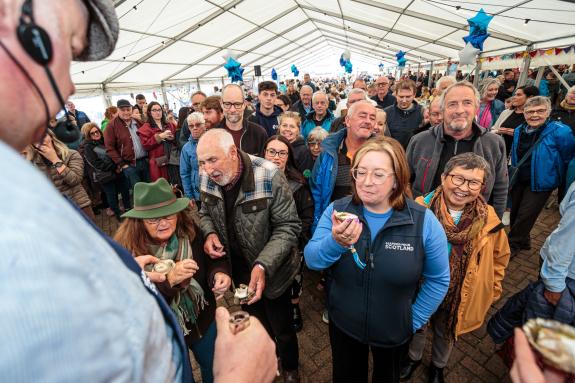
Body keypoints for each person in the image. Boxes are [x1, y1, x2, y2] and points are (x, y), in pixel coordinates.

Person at [0, 1, 277, 382]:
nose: (68, 84)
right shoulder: (19, 234)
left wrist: (138, 279)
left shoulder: (23, 195)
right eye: (65, 44)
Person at [304, 137, 450, 383]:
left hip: (395, 332)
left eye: (379, 174)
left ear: (397, 179)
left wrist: (411, 321)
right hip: (344, 325)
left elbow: (438, 280)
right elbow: (312, 260)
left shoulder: (424, 222)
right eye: (360, 172)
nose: (366, 182)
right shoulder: (337, 211)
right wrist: (336, 242)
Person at [197, 129, 302, 382]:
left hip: (273, 272)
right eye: (201, 162)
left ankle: (290, 367)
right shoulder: (206, 179)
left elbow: (289, 226)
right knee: (257, 324)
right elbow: (203, 213)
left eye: (212, 160)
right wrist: (210, 233)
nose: (207, 170)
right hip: (239, 272)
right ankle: (267, 359)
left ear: (232, 153)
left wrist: (263, 265)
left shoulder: (268, 174)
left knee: (284, 329)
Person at [401, 153, 511, 383]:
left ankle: (438, 365)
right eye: (458, 178)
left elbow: (500, 258)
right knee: (418, 323)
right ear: (443, 177)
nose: (464, 188)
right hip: (421, 287)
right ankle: (413, 357)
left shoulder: (488, 219)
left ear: (482, 187)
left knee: (446, 328)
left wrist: (492, 288)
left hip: (460, 291)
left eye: (473, 182)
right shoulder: (418, 209)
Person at [114, 179, 225, 383]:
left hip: (203, 319)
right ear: (139, 222)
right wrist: (169, 281)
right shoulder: (128, 254)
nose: (163, 223)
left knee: (215, 368)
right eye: (153, 219)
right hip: (164, 333)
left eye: (168, 215)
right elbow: (135, 305)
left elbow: (212, 259)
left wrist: (218, 273)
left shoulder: (189, 231)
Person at [406, 81, 508, 218]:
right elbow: (405, 180)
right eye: (452, 104)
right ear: (443, 110)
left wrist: (495, 223)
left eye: (467, 103)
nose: (460, 110)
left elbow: (500, 188)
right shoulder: (420, 141)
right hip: (425, 219)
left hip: (473, 224)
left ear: (476, 108)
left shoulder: (493, 143)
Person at [508, 96, 575, 255]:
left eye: (540, 111)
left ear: (548, 112)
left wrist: (557, 178)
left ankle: (513, 245)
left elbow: (567, 156)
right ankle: (523, 240)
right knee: (515, 213)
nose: (535, 115)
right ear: (524, 113)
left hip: (542, 181)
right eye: (530, 111)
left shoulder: (561, 131)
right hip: (520, 178)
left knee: (526, 214)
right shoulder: (519, 130)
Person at [263, 135, 314, 332]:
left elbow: (307, 216)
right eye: (272, 152)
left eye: (282, 152)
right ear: (264, 153)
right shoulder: (253, 180)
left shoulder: (298, 184)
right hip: (263, 243)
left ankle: (294, 307)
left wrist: (296, 241)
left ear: (288, 156)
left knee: (293, 279)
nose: (276, 157)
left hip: (292, 245)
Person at [310, 100, 376, 229]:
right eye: (362, 116)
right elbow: (316, 192)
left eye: (372, 118)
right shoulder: (329, 153)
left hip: (370, 226)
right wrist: (318, 226)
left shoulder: (382, 154)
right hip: (335, 225)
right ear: (348, 120)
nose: (368, 121)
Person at [25, 128, 95, 221]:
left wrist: (55, 159)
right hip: (57, 213)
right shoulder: (32, 163)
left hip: (79, 206)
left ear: (51, 137)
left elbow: (75, 180)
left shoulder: (71, 154)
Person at [81, 122, 130, 220]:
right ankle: (118, 215)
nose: (96, 134)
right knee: (112, 195)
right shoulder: (88, 147)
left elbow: (115, 152)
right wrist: (115, 166)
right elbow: (97, 164)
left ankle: (128, 208)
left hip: (118, 171)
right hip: (105, 175)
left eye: (97, 131)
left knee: (125, 190)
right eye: (92, 133)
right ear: (88, 135)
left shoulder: (106, 140)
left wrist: (119, 164)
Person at [104, 98, 150, 192]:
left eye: (128, 109)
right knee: (139, 193)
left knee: (150, 188)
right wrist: (122, 164)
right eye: (122, 110)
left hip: (145, 161)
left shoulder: (137, 121)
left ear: (131, 109)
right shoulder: (111, 126)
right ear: (118, 110)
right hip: (130, 165)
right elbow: (109, 148)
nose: (126, 112)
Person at [215, 84, 267, 156]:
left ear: (244, 104)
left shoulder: (259, 133)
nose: (232, 109)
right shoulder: (213, 135)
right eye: (227, 104)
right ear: (221, 104)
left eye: (237, 104)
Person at [492, 85, 539, 157]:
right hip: (499, 154)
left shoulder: (535, 117)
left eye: (518, 95)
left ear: (530, 98)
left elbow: (535, 138)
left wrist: (517, 133)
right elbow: (494, 129)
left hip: (518, 156)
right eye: (515, 94)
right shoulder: (506, 112)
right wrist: (499, 131)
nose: (514, 97)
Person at [136, 101, 177, 183]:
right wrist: (159, 137)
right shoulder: (146, 127)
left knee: (175, 183)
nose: (157, 112)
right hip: (158, 163)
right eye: (154, 110)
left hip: (172, 159)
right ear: (149, 113)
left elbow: (177, 139)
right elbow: (145, 145)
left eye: (159, 110)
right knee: (162, 186)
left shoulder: (169, 125)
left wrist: (172, 138)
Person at [384, 79, 424, 149]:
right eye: (401, 97)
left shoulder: (422, 112)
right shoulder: (386, 113)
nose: (404, 100)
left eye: (408, 97)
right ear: (396, 95)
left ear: (414, 95)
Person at [278, 111, 314, 178]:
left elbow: (306, 177)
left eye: (292, 126)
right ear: (279, 127)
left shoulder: (304, 152)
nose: (287, 129)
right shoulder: (274, 146)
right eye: (284, 125)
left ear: (298, 130)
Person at [180, 112, 206, 206]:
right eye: (191, 126)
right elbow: (185, 173)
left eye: (198, 125)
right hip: (198, 191)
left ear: (204, 125)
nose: (194, 128)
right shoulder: (186, 148)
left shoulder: (213, 141)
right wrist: (189, 195)